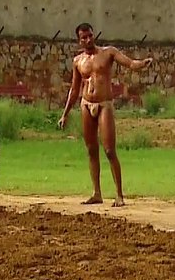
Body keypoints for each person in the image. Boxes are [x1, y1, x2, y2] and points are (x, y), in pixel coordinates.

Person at [58, 23, 152, 207]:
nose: (88, 39)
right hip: (86, 104)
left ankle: (119, 195)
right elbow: (74, 89)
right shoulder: (78, 61)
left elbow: (129, 63)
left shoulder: (108, 52)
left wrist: (141, 64)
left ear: (94, 35)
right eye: (83, 37)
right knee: (92, 150)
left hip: (104, 104)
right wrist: (65, 113)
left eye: (90, 35)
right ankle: (97, 193)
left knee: (109, 150)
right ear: (79, 40)